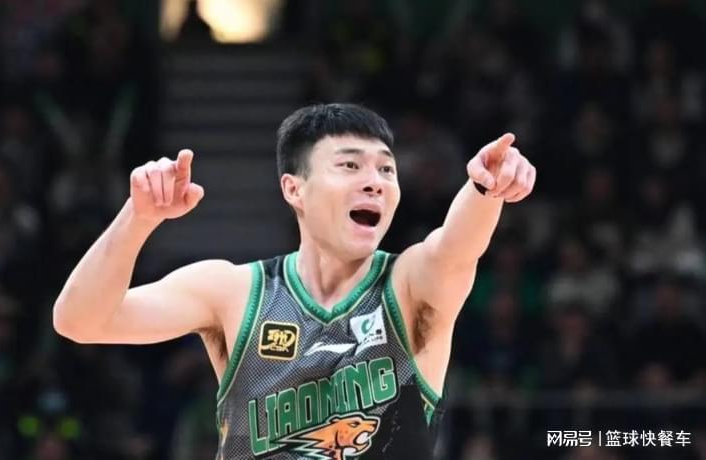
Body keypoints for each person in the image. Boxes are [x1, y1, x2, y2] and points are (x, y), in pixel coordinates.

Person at [52, 103, 536, 459]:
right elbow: (79, 321)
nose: (375, 181)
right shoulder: (235, 292)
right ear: (294, 189)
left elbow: (456, 247)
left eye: (386, 168)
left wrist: (485, 189)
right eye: (350, 165)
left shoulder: (409, 286)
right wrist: (137, 218)